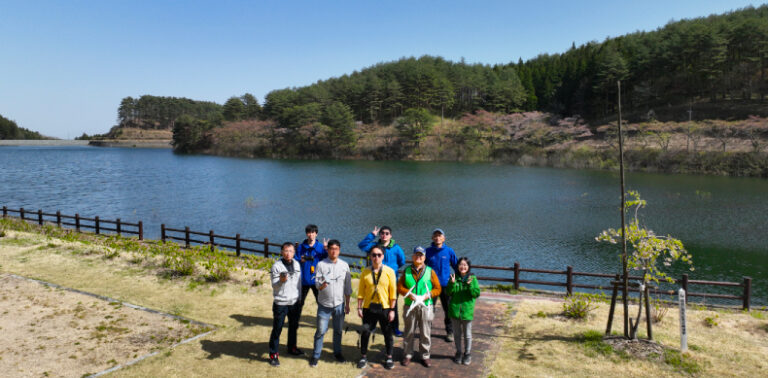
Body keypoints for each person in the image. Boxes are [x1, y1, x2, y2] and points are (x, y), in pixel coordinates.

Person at [397, 246, 441, 367]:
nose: (418, 257)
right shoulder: (406, 271)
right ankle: (407, 354)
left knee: (425, 332)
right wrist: (408, 294)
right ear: (412, 257)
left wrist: (428, 295)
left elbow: (438, 288)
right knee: (409, 331)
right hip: (410, 305)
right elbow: (399, 287)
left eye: (421, 255)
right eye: (416, 255)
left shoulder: (430, 271)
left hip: (425, 306)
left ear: (424, 257)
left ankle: (425, 355)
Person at [310, 239, 352, 367]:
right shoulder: (321, 265)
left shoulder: (344, 265)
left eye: (336, 249)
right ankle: (316, 355)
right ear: (327, 250)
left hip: (339, 304)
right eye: (331, 249)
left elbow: (347, 287)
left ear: (339, 250)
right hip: (324, 305)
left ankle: (337, 352)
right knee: (321, 331)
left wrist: (347, 304)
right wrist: (323, 285)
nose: (334, 251)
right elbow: (317, 285)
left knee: (338, 330)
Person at [358, 226, 406, 336]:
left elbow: (402, 261)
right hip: (375, 281)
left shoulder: (396, 248)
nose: (384, 235)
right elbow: (361, 245)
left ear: (390, 235)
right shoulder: (375, 247)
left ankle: (394, 328)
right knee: (373, 303)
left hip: (391, 281)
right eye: (382, 233)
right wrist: (371, 235)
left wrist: (393, 269)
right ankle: (372, 326)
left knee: (393, 306)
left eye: (387, 233)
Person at [356, 245, 397, 370]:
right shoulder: (365, 272)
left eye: (379, 255)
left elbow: (393, 293)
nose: (376, 257)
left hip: (385, 308)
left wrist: (392, 310)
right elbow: (361, 292)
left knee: (387, 333)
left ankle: (389, 357)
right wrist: (359, 307)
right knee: (366, 332)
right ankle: (363, 356)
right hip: (368, 308)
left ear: (383, 256)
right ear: (370, 256)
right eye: (373, 255)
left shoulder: (389, 272)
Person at [269, 242, 303, 366]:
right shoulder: (276, 266)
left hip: (294, 302)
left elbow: (299, 283)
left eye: (291, 251)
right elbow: (274, 285)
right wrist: (281, 281)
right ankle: (273, 354)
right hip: (281, 303)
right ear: (282, 252)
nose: (288, 253)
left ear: (294, 253)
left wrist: (300, 298)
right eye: (286, 251)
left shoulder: (297, 264)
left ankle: (292, 347)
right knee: (277, 328)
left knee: (293, 327)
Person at [425, 228, 458, 342]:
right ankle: (426, 331)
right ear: (432, 238)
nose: (437, 238)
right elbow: (421, 267)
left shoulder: (449, 251)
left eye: (440, 235)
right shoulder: (427, 251)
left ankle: (450, 332)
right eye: (435, 235)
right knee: (429, 309)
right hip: (431, 286)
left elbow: (456, 266)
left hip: (446, 285)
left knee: (448, 309)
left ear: (444, 238)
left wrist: (458, 280)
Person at [447, 257, 480, 365]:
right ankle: (459, 352)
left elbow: (476, 294)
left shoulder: (472, 278)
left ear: (468, 267)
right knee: (457, 334)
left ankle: (467, 353)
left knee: (467, 334)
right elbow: (448, 292)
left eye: (465, 265)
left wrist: (470, 286)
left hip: (467, 311)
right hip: (455, 311)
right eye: (461, 264)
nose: (463, 267)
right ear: (457, 266)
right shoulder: (453, 277)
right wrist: (452, 283)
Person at [295, 224, 328, 317]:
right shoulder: (300, 247)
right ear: (306, 234)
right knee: (299, 302)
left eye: (313, 232)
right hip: (303, 279)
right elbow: (295, 260)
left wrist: (326, 250)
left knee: (321, 302)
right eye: (309, 232)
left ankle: (323, 319)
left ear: (316, 234)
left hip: (317, 280)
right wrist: (300, 260)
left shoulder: (321, 247)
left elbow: (327, 260)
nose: (311, 235)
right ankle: (294, 320)